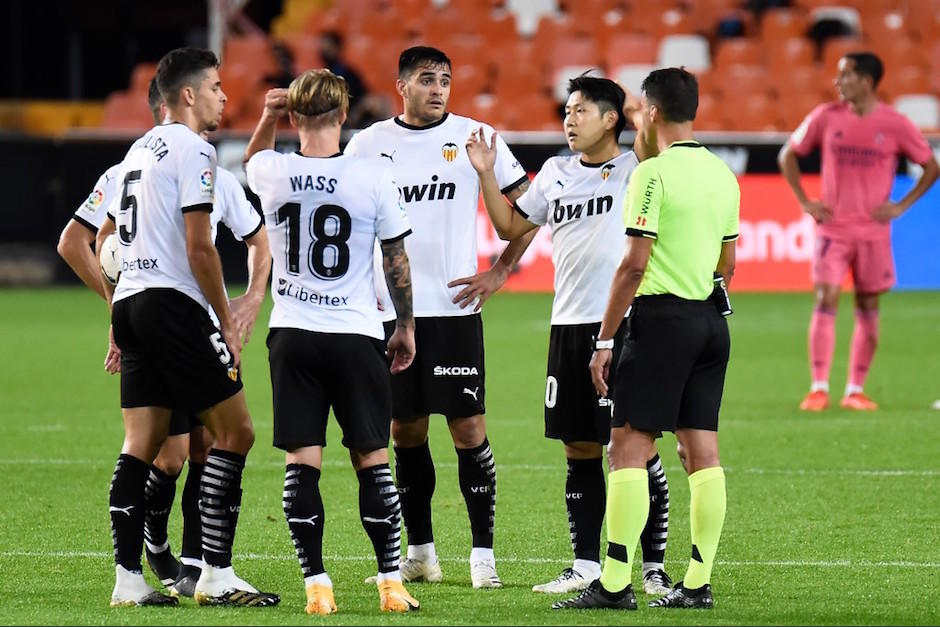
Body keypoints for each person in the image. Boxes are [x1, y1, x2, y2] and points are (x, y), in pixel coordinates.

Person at [59, 77, 272, 599]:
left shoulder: (134, 158)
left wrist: (119, 306)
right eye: (218, 86)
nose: (226, 96)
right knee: (234, 433)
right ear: (185, 96)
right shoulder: (195, 155)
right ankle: (215, 576)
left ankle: (133, 577)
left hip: (139, 306)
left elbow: (106, 239)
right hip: (177, 307)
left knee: (152, 445)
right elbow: (200, 247)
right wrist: (227, 315)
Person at [464, 75, 672, 596]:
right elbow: (512, 229)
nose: (569, 119)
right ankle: (586, 563)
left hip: (624, 324)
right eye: (567, 110)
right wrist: (488, 175)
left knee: (633, 447)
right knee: (579, 447)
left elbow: (651, 142)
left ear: (610, 119)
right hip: (568, 326)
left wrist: (643, 113)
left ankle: (652, 565)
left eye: (581, 110)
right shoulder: (555, 172)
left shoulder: (636, 170)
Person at [344, 45, 533, 589]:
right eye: (427, 79)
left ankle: (483, 557)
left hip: (452, 312)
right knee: (405, 432)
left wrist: (499, 271)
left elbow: (530, 212)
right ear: (401, 84)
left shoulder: (478, 138)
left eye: (446, 80)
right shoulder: (368, 145)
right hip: (389, 313)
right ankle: (422, 553)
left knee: (469, 429)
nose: (438, 89)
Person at [555, 67, 739, 611]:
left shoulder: (651, 175)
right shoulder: (722, 174)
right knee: (701, 452)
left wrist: (606, 340)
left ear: (652, 112)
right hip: (711, 323)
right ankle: (698, 583)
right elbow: (728, 262)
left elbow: (633, 266)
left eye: (639, 109)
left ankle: (613, 584)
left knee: (627, 449)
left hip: (659, 324)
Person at [244, 70, 420, 614]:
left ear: (294, 118)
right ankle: (391, 583)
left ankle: (317, 588)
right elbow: (396, 260)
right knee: (372, 456)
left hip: (293, 332)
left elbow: (253, 160)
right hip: (354, 332)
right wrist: (406, 325)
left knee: (304, 459)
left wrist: (267, 117)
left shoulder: (272, 171)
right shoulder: (371, 176)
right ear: (344, 115)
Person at [779, 51, 939, 412]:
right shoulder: (825, 116)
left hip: (873, 232)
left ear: (866, 81)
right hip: (833, 228)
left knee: (868, 305)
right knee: (826, 297)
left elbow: (931, 165)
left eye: (845, 75)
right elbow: (787, 154)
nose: (838, 82)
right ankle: (818, 387)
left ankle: (855, 390)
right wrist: (805, 201)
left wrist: (901, 205)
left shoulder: (895, 123)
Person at [318, 30, 390, 128]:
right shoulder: (322, 75)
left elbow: (365, 99)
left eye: (327, 46)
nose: (323, 49)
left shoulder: (347, 73)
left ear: (337, 48)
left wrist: (355, 115)